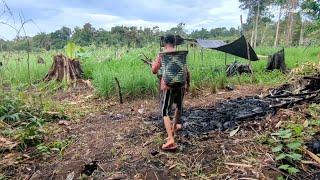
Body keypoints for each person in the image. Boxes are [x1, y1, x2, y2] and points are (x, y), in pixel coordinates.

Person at [151, 34, 190, 150]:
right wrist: (188, 83)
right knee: (179, 106)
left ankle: (170, 139)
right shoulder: (180, 54)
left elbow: (154, 70)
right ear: (174, 42)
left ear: (164, 42)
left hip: (168, 86)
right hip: (181, 84)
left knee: (165, 111)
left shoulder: (162, 54)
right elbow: (186, 70)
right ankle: (174, 128)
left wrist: (153, 64)